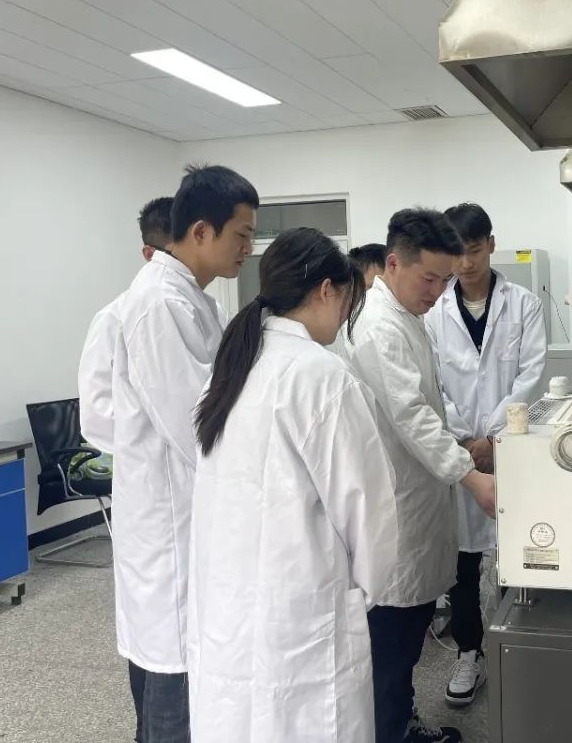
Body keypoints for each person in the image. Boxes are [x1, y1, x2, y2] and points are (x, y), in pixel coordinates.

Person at [188, 227, 400, 743]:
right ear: (327, 291)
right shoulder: (322, 375)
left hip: (229, 606)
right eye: (348, 301)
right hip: (305, 609)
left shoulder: (233, 368)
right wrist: (365, 592)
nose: (345, 317)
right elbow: (368, 511)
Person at [112, 164, 258, 743]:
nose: (248, 248)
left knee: (183, 664)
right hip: (169, 520)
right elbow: (194, 423)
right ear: (201, 231)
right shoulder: (158, 303)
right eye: (241, 235)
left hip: (188, 510)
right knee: (172, 670)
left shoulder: (194, 299)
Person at [342, 208, 496, 743]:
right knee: (391, 644)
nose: (437, 291)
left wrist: (460, 446)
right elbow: (411, 416)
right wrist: (471, 476)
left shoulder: (407, 317)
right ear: (392, 264)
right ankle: (389, 731)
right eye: (429, 278)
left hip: (420, 498)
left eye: (444, 280)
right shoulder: (378, 328)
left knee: (407, 639)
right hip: (395, 509)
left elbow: (429, 402)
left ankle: (402, 724)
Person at [424, 203, 547, 707]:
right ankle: (469, 653)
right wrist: (467, 441)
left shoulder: (524, 305)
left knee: (519, 552)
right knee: (463, 561)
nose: (465, 264)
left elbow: (532, 374)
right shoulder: (434, 313)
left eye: (474, 251)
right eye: (457, 254)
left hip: (510, 446)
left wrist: (494, 438)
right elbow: (433, 382)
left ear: (490, 245)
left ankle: (518, 646)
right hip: (459, 452)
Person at [78, 197, 173, 455]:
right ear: (149, 255)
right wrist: (152, 444)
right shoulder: (114, 319)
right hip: (146, 466)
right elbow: (97, 413)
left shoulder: (210, 311)